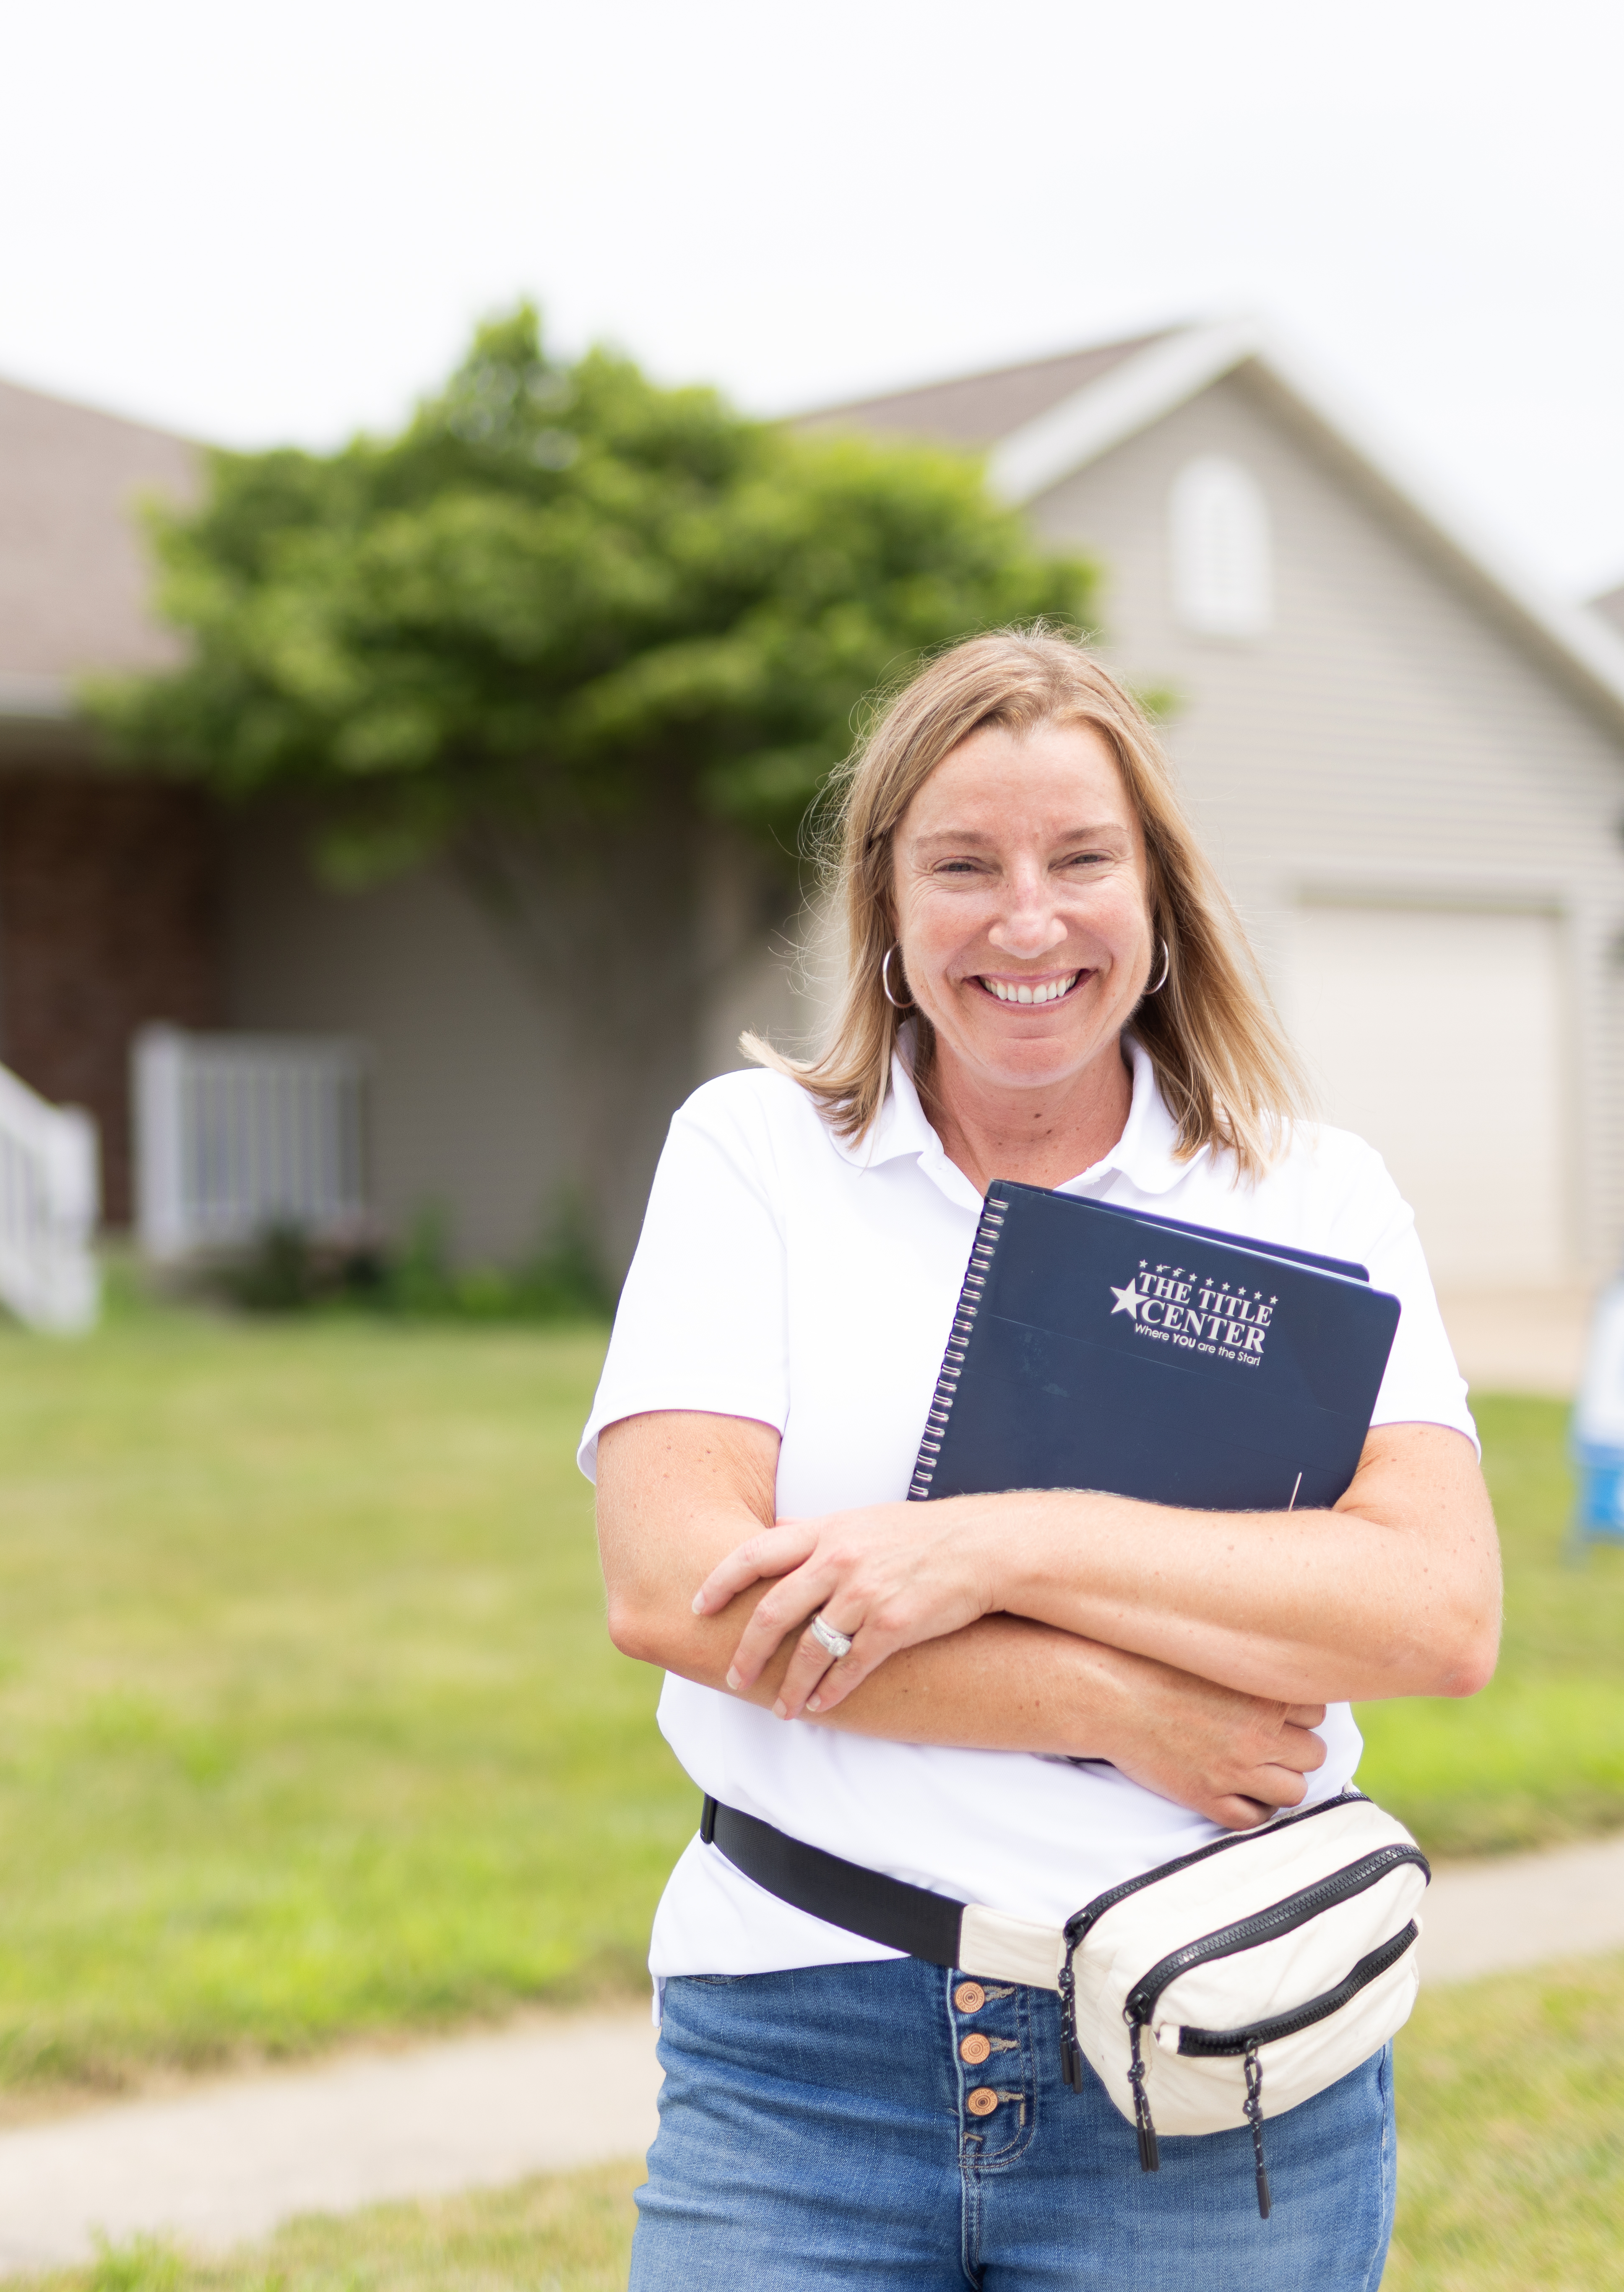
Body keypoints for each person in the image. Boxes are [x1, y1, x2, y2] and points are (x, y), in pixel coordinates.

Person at [586, 628, 1499, 2289]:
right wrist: (1108, 1706)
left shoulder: (1311, 1194)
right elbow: (671, 1585)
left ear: (1155, 893)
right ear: (882, 900)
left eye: (1080, 859)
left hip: (1215, 2063)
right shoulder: (756, 1157)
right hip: (797, 2048)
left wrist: (996, 1544)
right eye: (960, 864)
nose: (1024, 920)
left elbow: (1431, 1611)